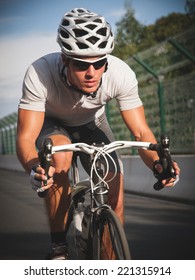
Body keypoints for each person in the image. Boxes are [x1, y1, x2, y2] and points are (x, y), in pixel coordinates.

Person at [16, 8, 180, 260]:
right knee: (59, 159)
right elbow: (26, 137)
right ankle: (59, 247)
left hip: (93, 123)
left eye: (99, 62)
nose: (91, 72)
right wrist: (35, 167)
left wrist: (158, 164)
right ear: (64, 59)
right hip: (52, 123)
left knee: (114, 186)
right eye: (81, 64)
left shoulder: (120, 73)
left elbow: (140, 132)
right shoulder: (40, 73)